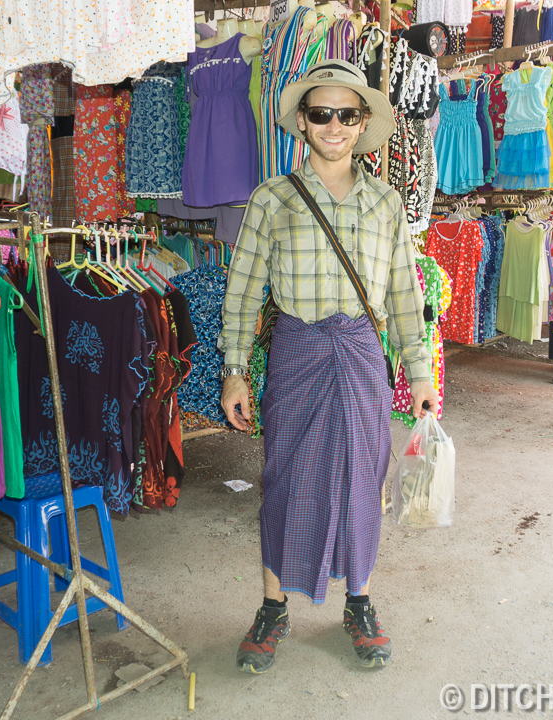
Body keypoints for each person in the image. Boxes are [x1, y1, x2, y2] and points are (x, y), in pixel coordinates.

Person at [218, 60, 441, 674]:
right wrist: (234, 370)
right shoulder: (273, 199)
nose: (334, 125)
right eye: (322, 113)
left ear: (363, 122)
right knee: (286, 479)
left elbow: (402, 291)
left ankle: (359, 604)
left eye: (347, 114)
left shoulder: (386, 203)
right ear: (302, 123)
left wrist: (419, 372)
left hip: (364, 356)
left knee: (364, 476)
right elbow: (242, 292)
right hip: (297, 353)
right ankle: (273, 608)